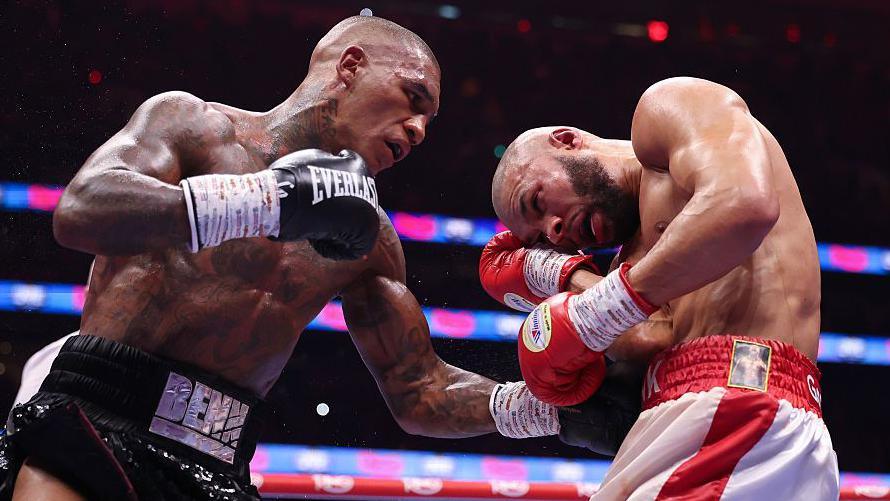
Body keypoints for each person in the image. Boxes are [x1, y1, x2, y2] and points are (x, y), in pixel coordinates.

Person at [1, 14, 606, 501]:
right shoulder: (193, 126)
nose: (419, 128)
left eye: (429, 119)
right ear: (349, 67)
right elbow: (81, 212)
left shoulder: (369, 240)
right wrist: (266, 202)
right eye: (411, 97)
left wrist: (550, 410)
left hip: (217, 461)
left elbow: (420, 390)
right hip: (97, 414)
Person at [481, 76, 839, 500]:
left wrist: (593, 308)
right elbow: (653, 338)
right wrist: (562, 276)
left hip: (738, 406)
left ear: (566, 141)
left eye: (537, 202)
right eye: (543, 240)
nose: (555, 231)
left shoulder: (666, 107)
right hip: (701, 418)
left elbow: (743, 203)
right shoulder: (634, 264)